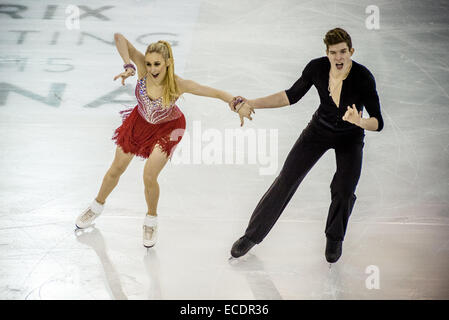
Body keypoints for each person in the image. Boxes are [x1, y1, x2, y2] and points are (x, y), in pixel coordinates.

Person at [75, 34, 255, 248]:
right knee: (116, 169)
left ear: (168, 63)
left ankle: (151, 220)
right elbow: (118, 38)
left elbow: (215, 92)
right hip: (139, 122)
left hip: (168, 128)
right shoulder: (141, 69)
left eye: (157, 64)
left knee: (149, 175)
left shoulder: (179, 84)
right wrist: (128, 64)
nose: (152, 69)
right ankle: (96, 206)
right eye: (149, 63)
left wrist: (236, 103)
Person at [229, 27, 384, 263]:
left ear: (351, 51)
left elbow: (378, 122)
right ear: (327, 53)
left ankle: (334, 238)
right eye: (334, 53)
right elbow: (289, 96)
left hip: (350, 137)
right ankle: (251, 236)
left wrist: (359, 121)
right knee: (286, 179)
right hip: (318, 130)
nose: (339, 57)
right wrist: (252, 102)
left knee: (344, 190)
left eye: (343, 52)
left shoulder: (363, 77)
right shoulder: (317, 68)